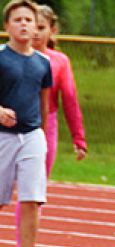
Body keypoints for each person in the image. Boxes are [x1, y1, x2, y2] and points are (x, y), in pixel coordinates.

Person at [1, 0, 52, 247]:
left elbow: (43, 103)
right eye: (18, 20)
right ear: (7, 26)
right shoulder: (0, 57)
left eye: (28, 20)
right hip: (2, 137)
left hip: (32, 135)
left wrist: (41, 134)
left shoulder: (43, 63)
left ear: (36, 27)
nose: (24, 24)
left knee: (32, 198)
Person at [31, 5, 84, 175]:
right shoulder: (7, 56)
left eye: (41, 28)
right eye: (32, 26)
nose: (35, 33)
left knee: (37, 182)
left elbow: (70, 100)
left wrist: (78, 137)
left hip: (46, 125)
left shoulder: (60, 62)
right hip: (11, 123)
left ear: (52, 30)